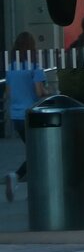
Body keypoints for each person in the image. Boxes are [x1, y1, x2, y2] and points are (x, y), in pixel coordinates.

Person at [5, 31, 48, 201]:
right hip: (31, 115)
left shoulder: (12, 68)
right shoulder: (35, 67)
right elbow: (39, 92)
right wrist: (48, 91)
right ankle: (17, 175)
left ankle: (20, 178)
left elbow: (8, 94)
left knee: (34, 151)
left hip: (16, 117)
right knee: (38, 152)